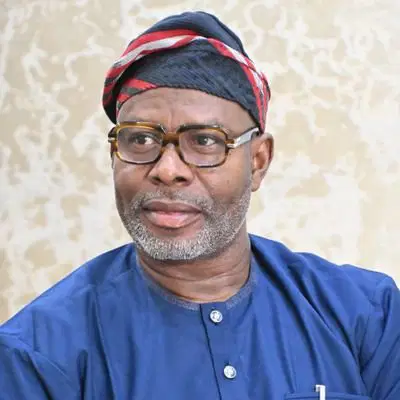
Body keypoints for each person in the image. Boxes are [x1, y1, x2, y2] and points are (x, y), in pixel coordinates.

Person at [0, 10, 399, 400]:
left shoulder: (368, 316)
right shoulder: (36, 356)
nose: (168, 170)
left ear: (258, 162)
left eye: (205, 141)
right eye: (140, 140)